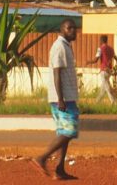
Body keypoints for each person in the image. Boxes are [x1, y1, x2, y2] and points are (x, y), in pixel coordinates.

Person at [32, 19, 80, 180]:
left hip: (66, 96)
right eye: (70, 28)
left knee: (63, 133)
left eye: (75, 28)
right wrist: (61, 99)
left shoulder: (66, 46)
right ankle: (42, 157)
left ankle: (59, 170)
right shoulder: (59, 47)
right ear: (63, 30)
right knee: (70, 131)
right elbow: (56, 73)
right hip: (63, 98)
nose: (74, 31)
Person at [91, 35, 117, 103]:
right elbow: (115, 58)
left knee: (107, 87)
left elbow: (95, 60)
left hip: (103, 70)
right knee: (104, 88)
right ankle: (97, 102)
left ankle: (114, 102)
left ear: (101, 40)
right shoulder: (111, 49)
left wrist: (88, 62)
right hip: (109, 70)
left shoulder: (100, 48)